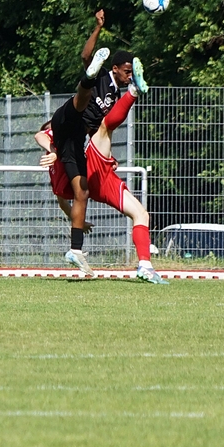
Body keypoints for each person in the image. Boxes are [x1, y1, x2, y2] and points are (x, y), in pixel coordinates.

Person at [35, 53, 167, 283]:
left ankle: (145, 266)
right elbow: (41, 135)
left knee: (140, 214)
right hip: (88, 163)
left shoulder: (71, 151)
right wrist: (54, 151)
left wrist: (78, 222)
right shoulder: (56, 132)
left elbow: (65, 200)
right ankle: (132, 91)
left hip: (95, 175)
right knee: (100, 123)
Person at [47, 10, 113, 276]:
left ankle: (75, 250)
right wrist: (98, 28)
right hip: (65, 121)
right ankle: (87, 79)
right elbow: (86, 56)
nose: (129, 75)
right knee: (80, 103)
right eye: (127, 71)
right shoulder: (105, 77)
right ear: (116, 68)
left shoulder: (114, 96)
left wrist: (108, 157)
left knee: (82, 192)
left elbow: (100, 131)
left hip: (73, 142)